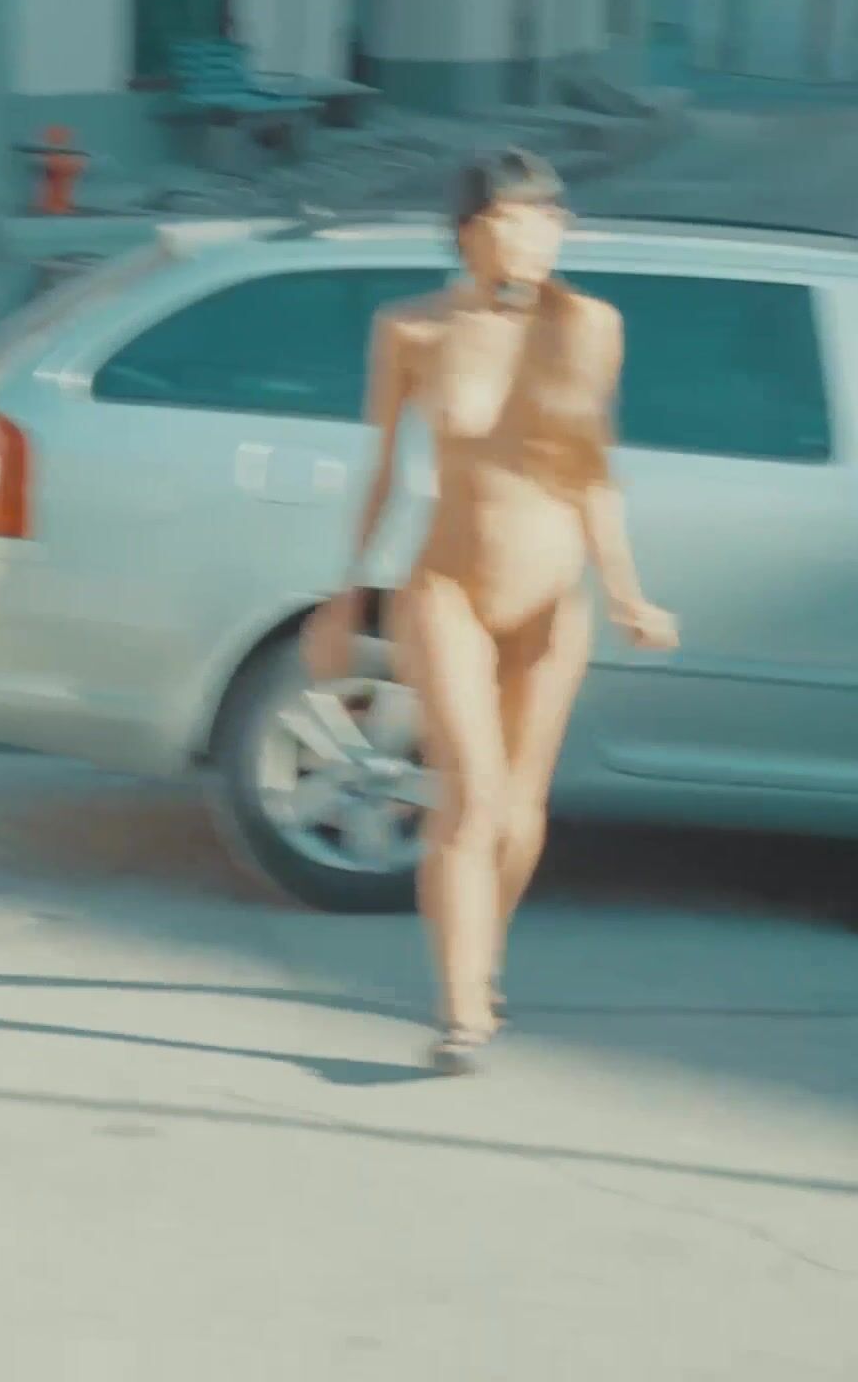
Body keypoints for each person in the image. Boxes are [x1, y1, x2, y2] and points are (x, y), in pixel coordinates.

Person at [301, 148, 677, 1072]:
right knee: (468, 799)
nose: (542, 237)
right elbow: (383, 470)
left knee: (516, 811)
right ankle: (462, 1010)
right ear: (472, 232)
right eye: (521, 219)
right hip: (450, 588)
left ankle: (485, 957)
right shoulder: (413, 329)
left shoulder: (590, 325)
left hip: (552, 599)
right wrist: (346, 595)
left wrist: (626, 590)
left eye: (553, 220)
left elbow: (593, 470)